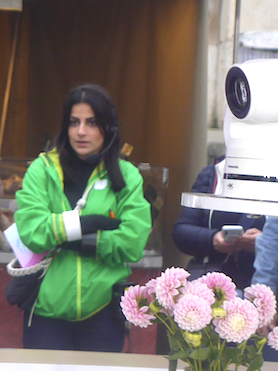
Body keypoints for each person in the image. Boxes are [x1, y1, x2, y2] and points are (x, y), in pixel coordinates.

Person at [13, 84, 151, 352]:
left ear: (108, 127)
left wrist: (66, 238)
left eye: (91, 123)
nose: (81, 132)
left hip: (102, 315)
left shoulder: (127, 176)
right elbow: (31, 232)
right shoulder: (41, 170)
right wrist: (88, 224)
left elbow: (132, 243)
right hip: (45, 313)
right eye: (74, 122)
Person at [173, 158, 264, 289]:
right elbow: (181, 232)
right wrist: (213, 239)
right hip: (213, 287)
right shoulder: (214, 172)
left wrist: (265, 244)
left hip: (264, 284)